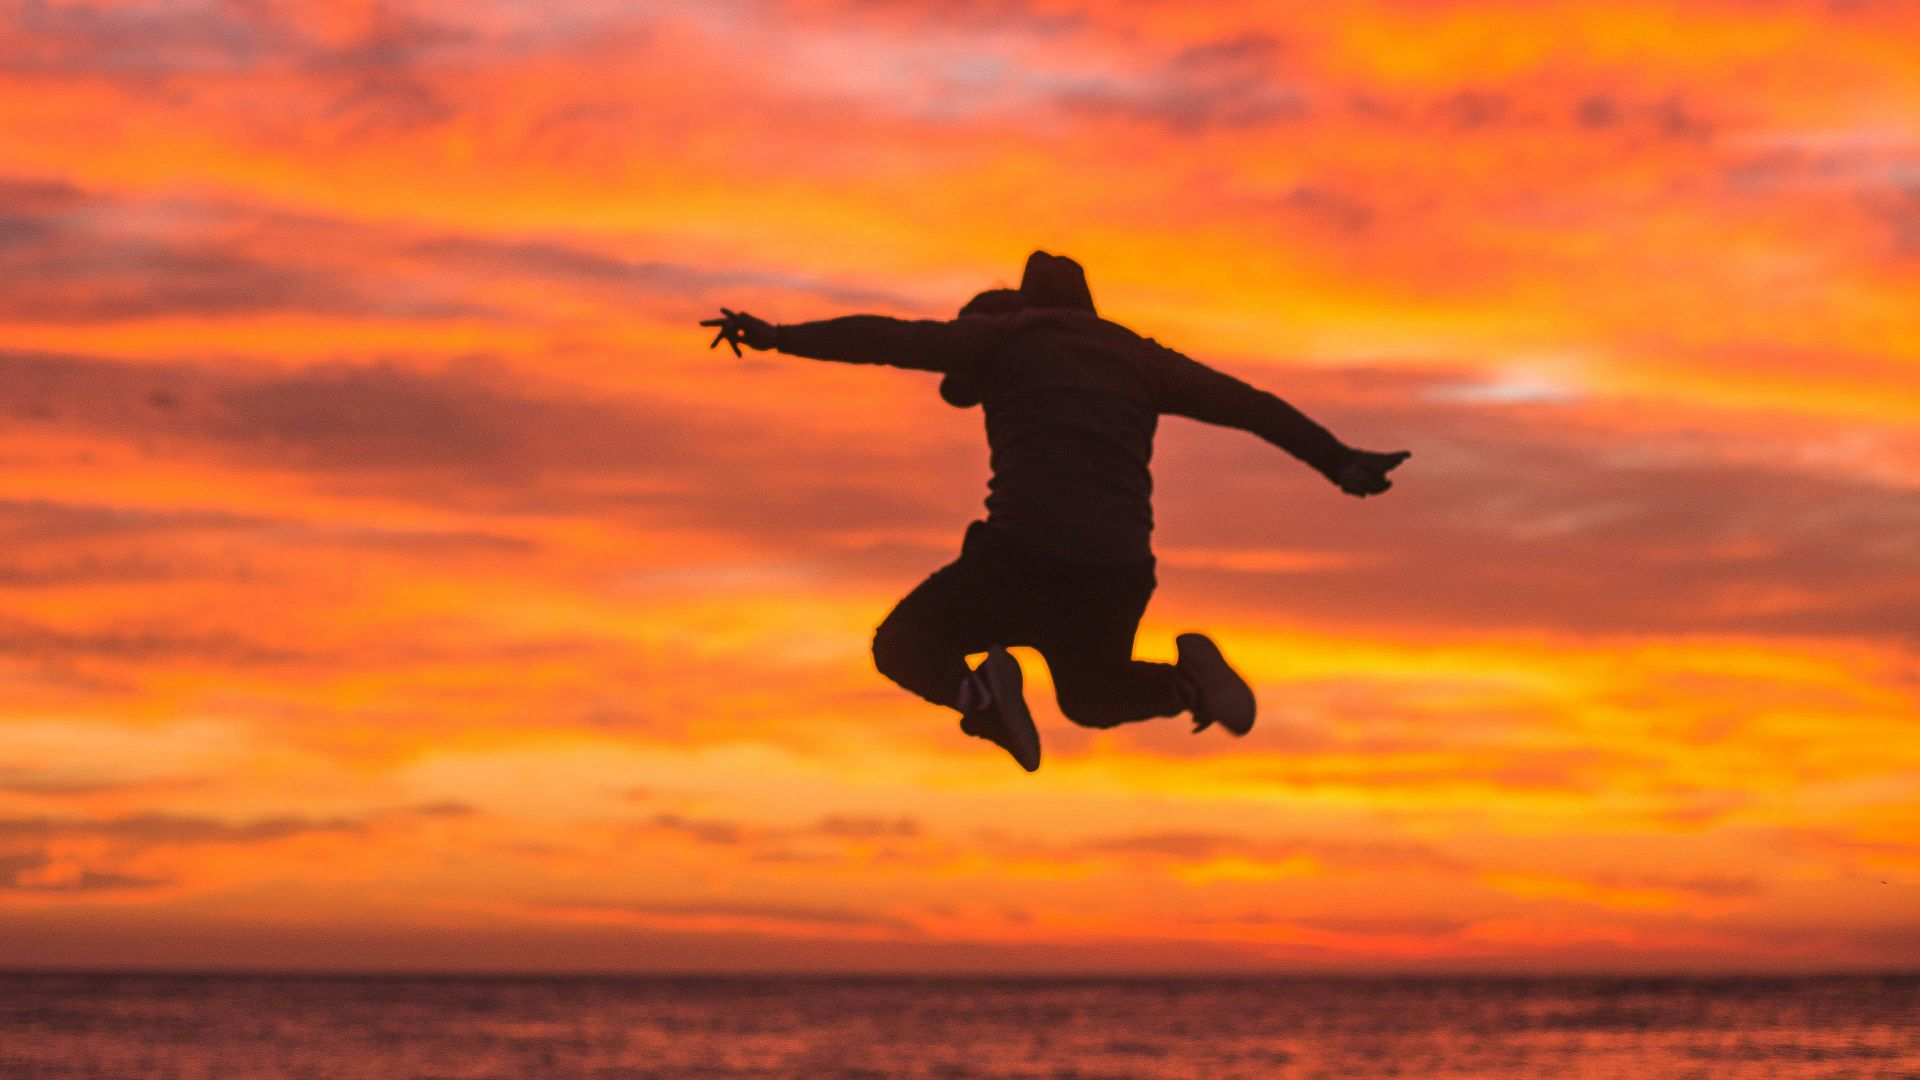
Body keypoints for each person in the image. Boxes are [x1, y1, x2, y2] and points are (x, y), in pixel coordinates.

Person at [702, 251, 1409, 772]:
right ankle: (1188, 680)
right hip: (1117, 572)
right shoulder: (1140, 356)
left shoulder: (1006, 334)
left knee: (902, 643)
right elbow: (1250, 407)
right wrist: (1339, 461)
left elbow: (887, 339)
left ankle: (982, 696)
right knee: (1091, 698)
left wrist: (779, 337)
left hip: (1024, 556)